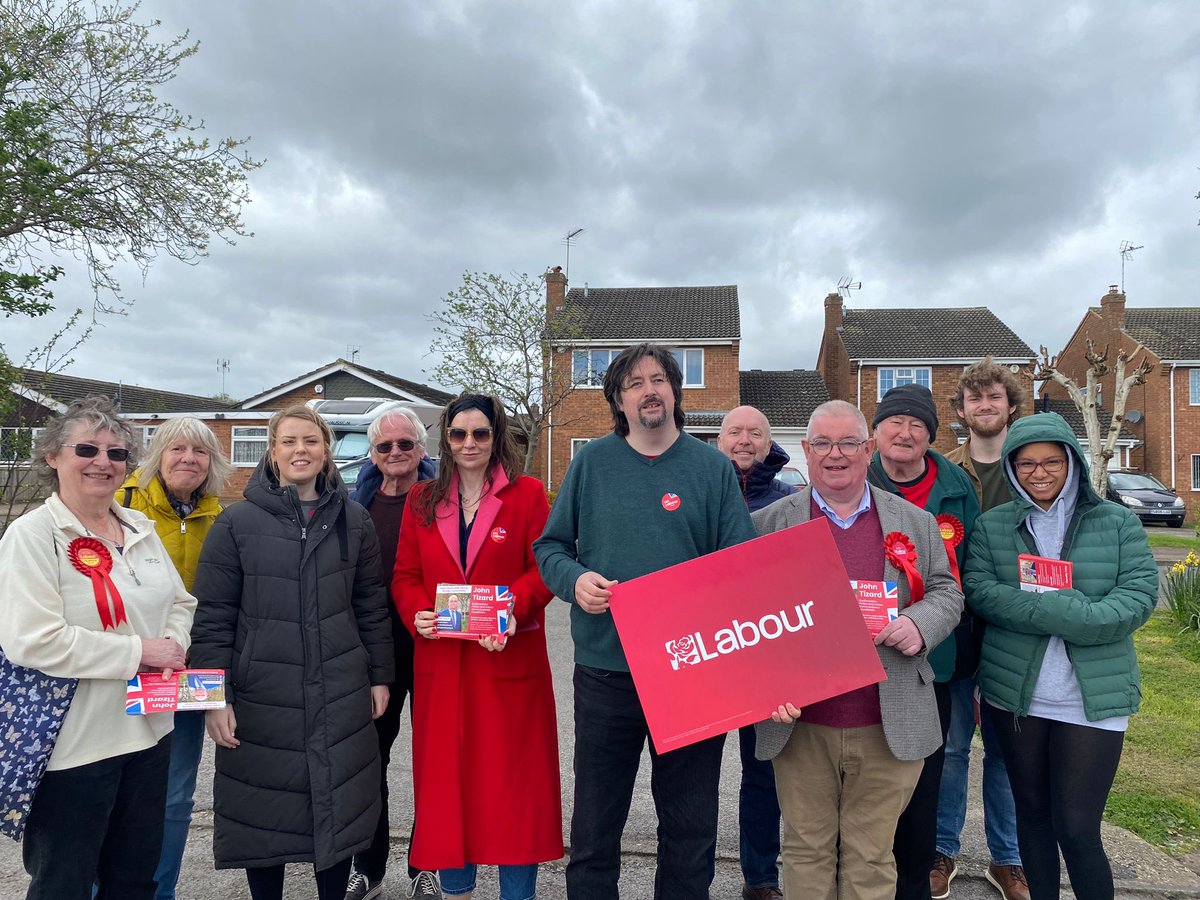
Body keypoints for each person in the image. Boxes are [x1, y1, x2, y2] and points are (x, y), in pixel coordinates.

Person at [535, 343, 755, 899]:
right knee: (594, 827)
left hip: (692, 672)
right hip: (607, 671)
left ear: (675, 392)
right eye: (634, 383)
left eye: (659, 379)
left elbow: (740, 569)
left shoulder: (711, 469)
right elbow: (552, 547)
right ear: (618, 398)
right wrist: (574, 579)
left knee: (689, 829)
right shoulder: (591, 464)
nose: (649, 390)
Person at [752, 400, 963, 900]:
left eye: (848, 442)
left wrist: (919, 623)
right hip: (801, 724)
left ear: (868, 449)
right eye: (822, 443)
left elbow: (948, 592)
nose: (835, 454)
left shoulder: (914, 522)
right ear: (805, 451)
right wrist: (766, 683)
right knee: (805, 850)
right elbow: (746, 619)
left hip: (888, 720)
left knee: (872, 856)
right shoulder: (767, 524)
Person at [190, 405, 393, 900]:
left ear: (326, 451)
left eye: (311, 441)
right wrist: (214, 698)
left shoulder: (355, 521)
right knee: (265, 812)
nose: (300, 450)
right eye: (289, 442)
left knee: (337, 802)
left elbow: (371, 606)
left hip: (340, 689)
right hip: (262, 694)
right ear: (273, 452)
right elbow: (213, 617)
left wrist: (379, 675)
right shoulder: (235, 524)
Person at [0, 396, 195, 899]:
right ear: (52, 457)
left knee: (134, 880)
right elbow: (31, 640)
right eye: (87, 448)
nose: (103, 462)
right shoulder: (32, 536)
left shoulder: (139, 527)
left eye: (117, 453)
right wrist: (140, 653)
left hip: (150, 733)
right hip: (75, 746)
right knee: (63, 881)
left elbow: (180, 600)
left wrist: (173, 642)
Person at [963, 412, 1157, 900]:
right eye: (1025, 463)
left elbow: (1137, 598)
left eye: (1051, 461)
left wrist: (1057, 612)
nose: (1039, 472)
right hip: (1017, 697)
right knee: (1032, 818)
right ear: (1011, 468)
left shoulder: (1117, 522)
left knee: (1077, 828)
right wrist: (1052, 607)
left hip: (1090, 700)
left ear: (1072, 461)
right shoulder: (993, 526)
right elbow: (981, 592)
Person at [394, 392, 562, 900]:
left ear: (496, 438)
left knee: (516, 793)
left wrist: (510, 609)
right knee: (448, 791)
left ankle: (519, 893)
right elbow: (405, 575)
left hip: (507, 663)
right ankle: (456, 890)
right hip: (443, 667)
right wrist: (417, 612)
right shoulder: (421, 500)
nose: (470, 443)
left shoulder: (529, 494)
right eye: (459, 434)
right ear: (445, 440)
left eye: (481, 433)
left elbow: (545, 569)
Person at [866, 384, 980, 900]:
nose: (905, 433)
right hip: (863, 660)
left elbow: (969, 574)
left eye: (917, 425)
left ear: (931, 435)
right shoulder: (851, 479)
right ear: (876, 432)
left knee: (923, 777)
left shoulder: (957, 489)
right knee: (865, 781)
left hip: (935, 658)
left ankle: (914, 879)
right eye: (895, 422)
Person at [117, 417, 234, 900]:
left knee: (174, 796)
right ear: (157, 455)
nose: (189, 458)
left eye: (200, 452)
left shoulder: (220, 517)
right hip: (123, 668)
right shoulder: (121, 507)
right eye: (178, 448)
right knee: (111, 789)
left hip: (187, 674)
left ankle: (157, 891)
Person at [936, 359, 1028, 900]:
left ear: (1011, 405)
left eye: (995, 397)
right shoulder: (946, 470)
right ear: (963, 409)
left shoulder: (1036, 467)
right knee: (950, 747)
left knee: (1004, 750)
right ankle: (941, 851)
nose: (985, 406)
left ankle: (1008, 859)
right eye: (975, 399)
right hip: (958, 630)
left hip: (1016, 633)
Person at [345, 408, 437, 900]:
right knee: (370, 760)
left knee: (435, 760)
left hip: (435, 646)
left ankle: (429, 863)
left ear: (422, 450)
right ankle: (369, 865)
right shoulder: (356, 505)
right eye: (385, 447)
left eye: (405, 444)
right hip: (374, 654)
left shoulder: (441, 502)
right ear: (373, 454)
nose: (396, 453)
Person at [715, 404, 798, 900]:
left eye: (756, 433)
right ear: (719, 440)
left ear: (770, 445)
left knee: (763, 770)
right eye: (734, 432)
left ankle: (760, 878)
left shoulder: (792, 501)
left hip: (765, 652)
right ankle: (690, 872)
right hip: (708, 650)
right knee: (692, 774)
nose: (744, 440)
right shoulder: (699, 493)